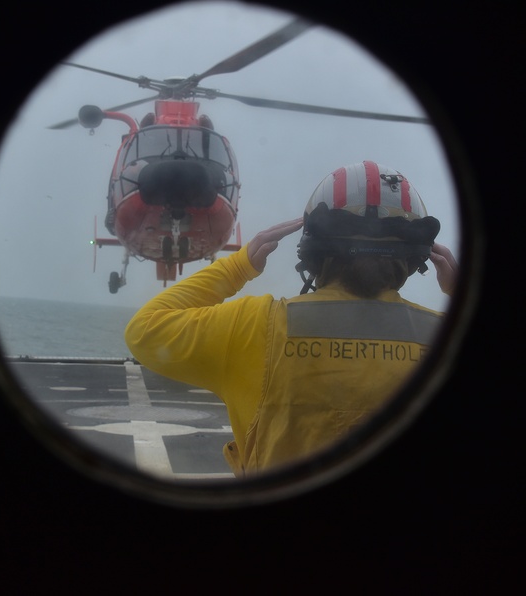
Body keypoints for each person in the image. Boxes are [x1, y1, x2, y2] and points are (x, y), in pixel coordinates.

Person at [124, 161, 459, 477]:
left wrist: (238, 266)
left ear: (312, 252)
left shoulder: (254, 325)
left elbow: (145, 329)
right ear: (419, 257)